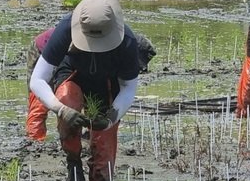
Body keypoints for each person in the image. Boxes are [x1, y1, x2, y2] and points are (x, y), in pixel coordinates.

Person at [27, 0, 148, 181]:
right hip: (72, 73)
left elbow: (128, 88)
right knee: (67, 102)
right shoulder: (65, 30)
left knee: (105, 134)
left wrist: (111, 116)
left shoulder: (127, 43)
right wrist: (60, 109)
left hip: (106, 80)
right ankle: (73, 164)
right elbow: (37, 80)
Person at [24, 24, 155, 142]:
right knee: (39, 101)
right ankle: (35, 140)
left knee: (93, 96)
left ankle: (89, 136)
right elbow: (38, 82)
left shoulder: (116, 48)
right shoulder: (115, 45)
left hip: (70, 56)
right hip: (43, 50)